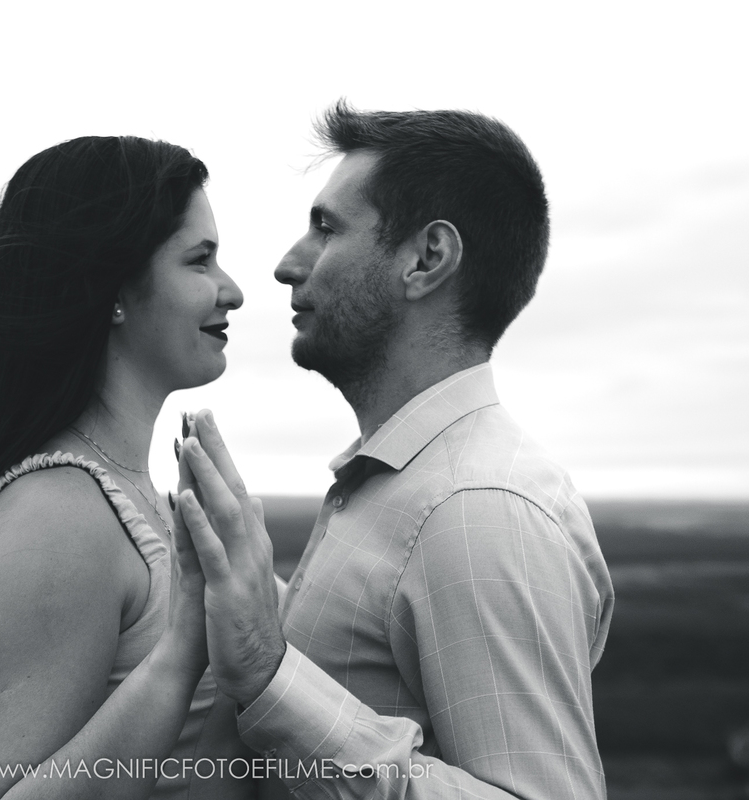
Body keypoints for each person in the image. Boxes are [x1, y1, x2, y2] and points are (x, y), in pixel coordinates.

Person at [174, 102, 615, 799]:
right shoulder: (402, 483)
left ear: (426, 259)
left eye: (327, 228)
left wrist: (266, 673)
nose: (288, 266)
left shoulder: (478, 510)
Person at [0, 135, 256, 800]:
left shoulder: (129, 491)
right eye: (199, 260)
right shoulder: (57, 513)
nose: (232, 290)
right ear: (114, 288)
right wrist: (182, 658)